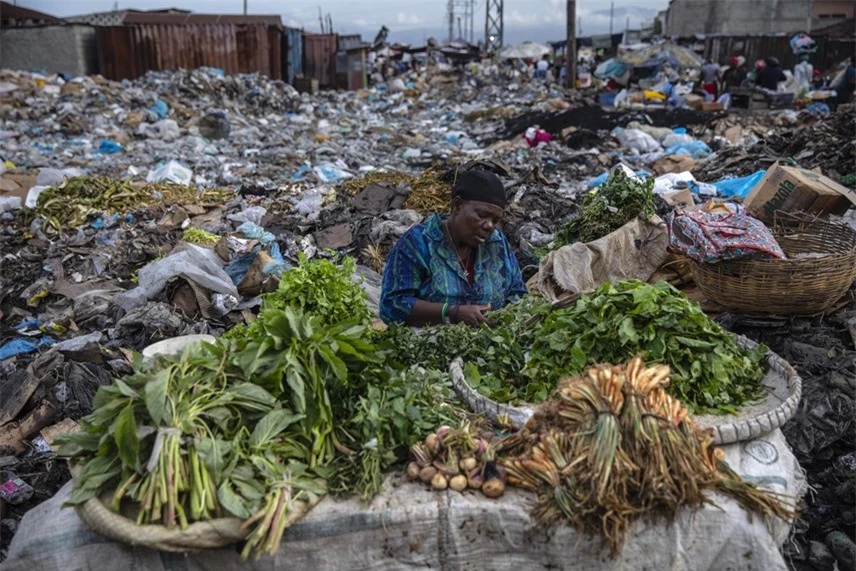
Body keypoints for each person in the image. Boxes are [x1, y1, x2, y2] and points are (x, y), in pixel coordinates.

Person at [380, 169, 527, 327]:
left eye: (495, 220)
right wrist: (452, 312)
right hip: (427, 345)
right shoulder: (418, 244)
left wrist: (502, 319)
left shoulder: (497, 244)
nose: (489, 226)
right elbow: (392, 305)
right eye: (482, 215)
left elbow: (518, 293)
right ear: (457, 205)